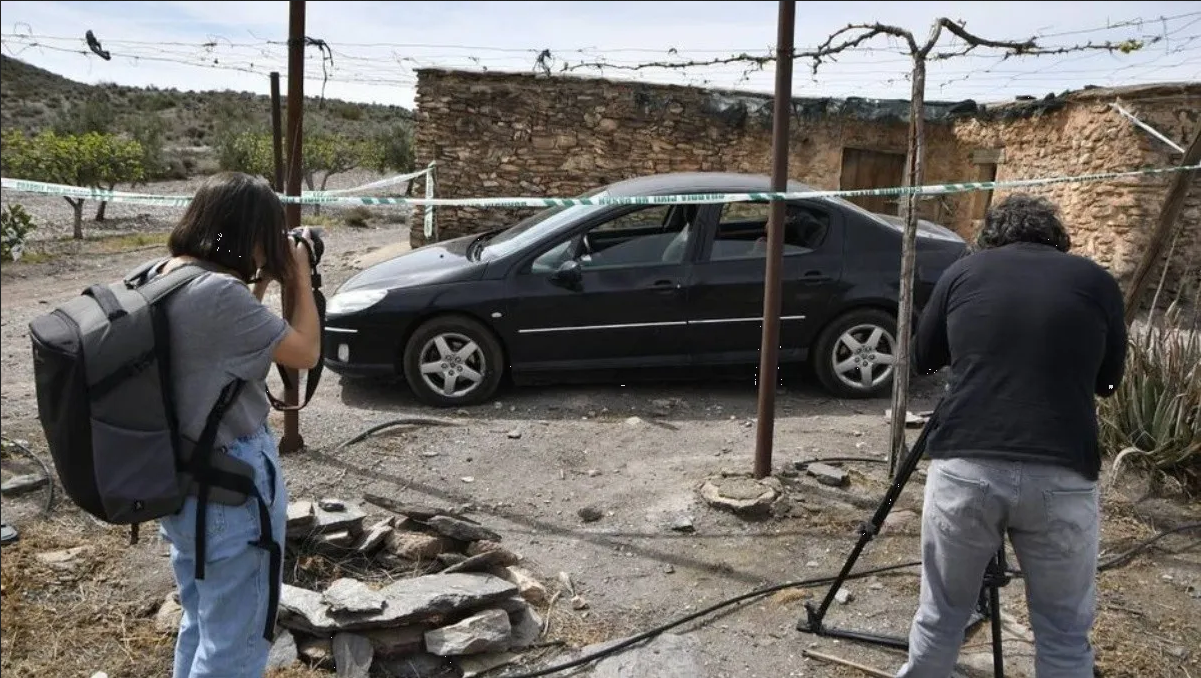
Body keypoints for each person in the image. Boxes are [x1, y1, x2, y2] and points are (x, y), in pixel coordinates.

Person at [898, 194, 1127, 678]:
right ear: (1057, 237)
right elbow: (1108, 381)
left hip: (966, 463)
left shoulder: (964, 272)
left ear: (991, 236)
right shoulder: (1096, 281)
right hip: (1063, 469)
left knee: (941, 617)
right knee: (1064, 633)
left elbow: (924, 357)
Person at [152, 172, 321, 678]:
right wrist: (302, 277)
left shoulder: (160, 273)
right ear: (253, 231)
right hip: (229, 489)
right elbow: (306, 352)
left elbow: (224, 335)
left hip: (175, 478)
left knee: (202, 622)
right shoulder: (221, 297)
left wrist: (262, 278)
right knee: (237, 646)